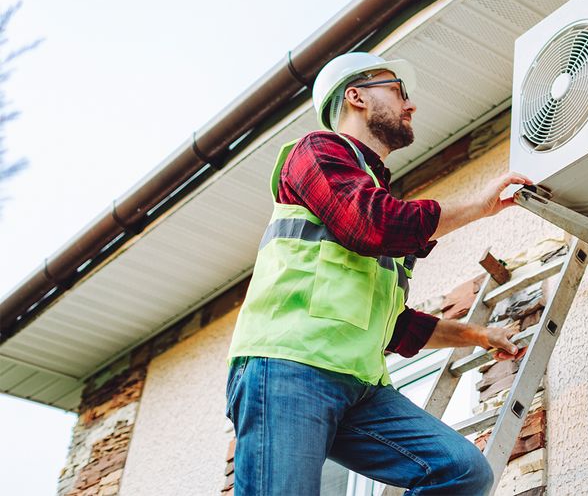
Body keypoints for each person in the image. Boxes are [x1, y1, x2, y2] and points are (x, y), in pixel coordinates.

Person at [225, 52, 532, 495]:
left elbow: (394, 325)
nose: (411, 105)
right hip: (290, 368)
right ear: (356, 96)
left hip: (359, 388)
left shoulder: (369, 190)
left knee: (462, 472)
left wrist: (476, 336)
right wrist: (477, 209)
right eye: (398, 91)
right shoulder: (318, 152)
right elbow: (373, 224)